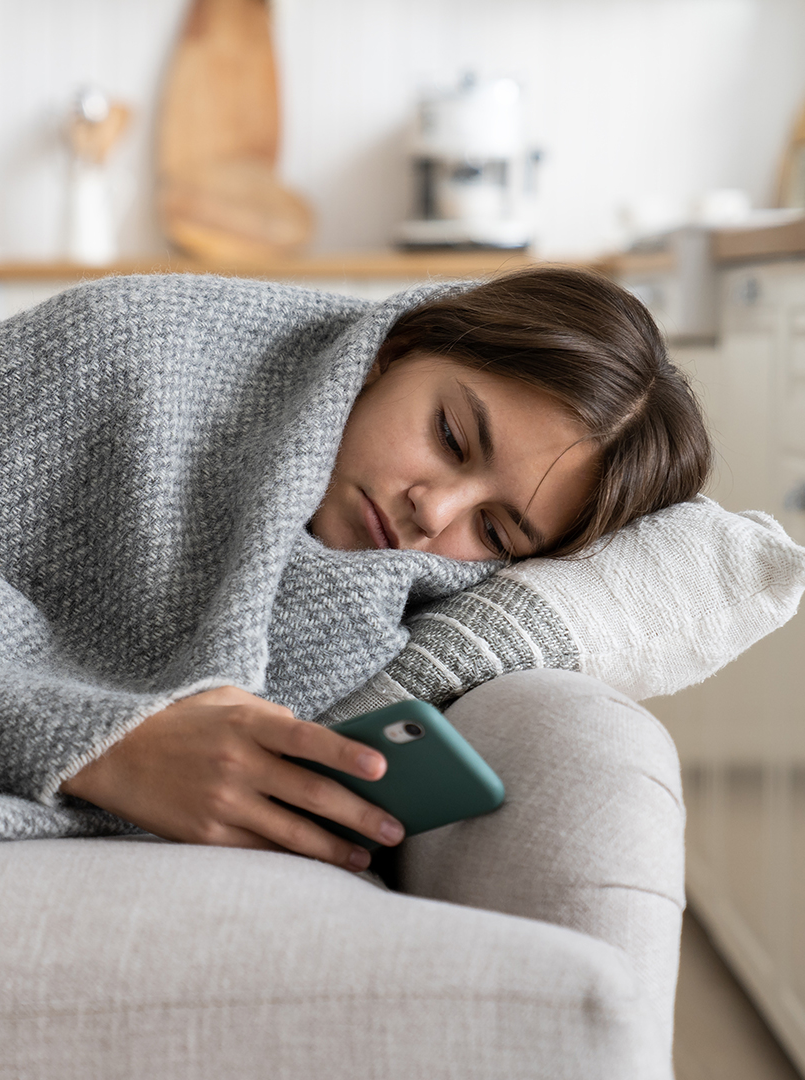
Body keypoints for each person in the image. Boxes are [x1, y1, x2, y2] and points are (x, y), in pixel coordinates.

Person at [59, 267, 712, 876]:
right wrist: (106, 748)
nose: (433, 510)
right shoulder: (136, 342)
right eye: (451, 438)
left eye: (492, 531)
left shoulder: (412, 609)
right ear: (398, 350)